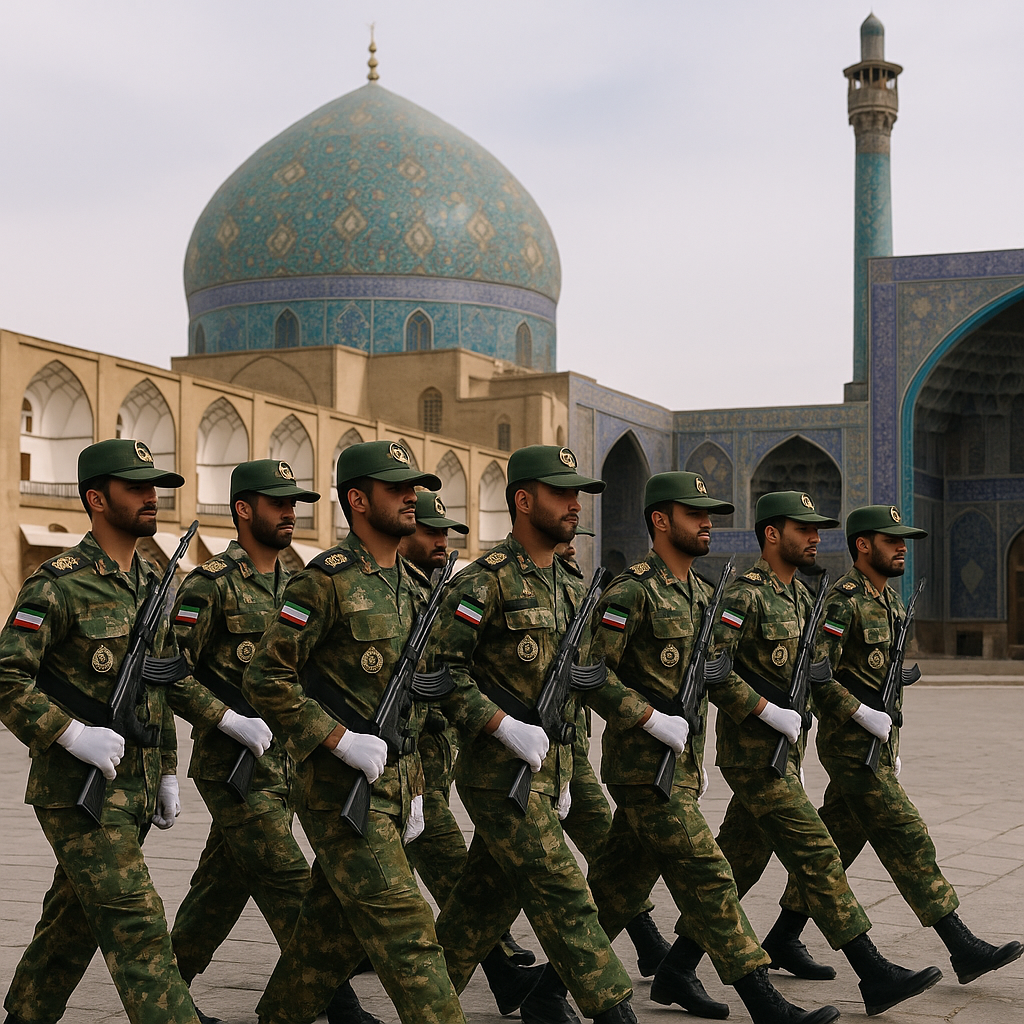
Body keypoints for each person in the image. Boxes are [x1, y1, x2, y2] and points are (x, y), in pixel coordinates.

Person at [585, 472, 839, 1024]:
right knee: (710, 876)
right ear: (660, 520)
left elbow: (717, 674)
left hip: (680, 770)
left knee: (613, 891)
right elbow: (590, 673)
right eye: (695, 514)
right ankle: (763, 1001)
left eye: (709, 515)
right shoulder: (631, 590)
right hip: (641, 769)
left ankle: (549, 992)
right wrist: (647, 718)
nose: (707, 524)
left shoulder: (704, 594)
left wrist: (770, 710)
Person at [242, 440, 466, 1024]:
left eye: (413, 488)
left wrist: (417, 786)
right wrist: (337, 739)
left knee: (326, 936)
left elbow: (418, 700)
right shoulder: (325, 581)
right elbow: (265, 677)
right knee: (410, 933)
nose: (412, 498)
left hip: (396, 785)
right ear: (359, 501)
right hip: (341, 792)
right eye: (397, 489)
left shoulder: (414, 587)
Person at [700, 490, 942, 1017]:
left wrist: (827, 741)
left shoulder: (805, 599)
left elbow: (816, 677)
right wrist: (765, 711)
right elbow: (713, 668)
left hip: (783, 756)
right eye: (803, 528)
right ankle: (873, 971)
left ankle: (677, 967)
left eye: (816, 529)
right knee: (817, 854)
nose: (814, 537)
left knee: (740, 861)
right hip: (750, 753)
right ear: (771, 533)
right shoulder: (745, 595)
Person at [166, 460, 379, 1024]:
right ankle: (341, 1008)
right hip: (232, 769)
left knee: (218, 891)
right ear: (243, 509)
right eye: (278, 502)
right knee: (291, 883)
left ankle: (165, 995)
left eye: (294, 503)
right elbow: (167, 671)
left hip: (285, 768)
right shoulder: (211, 584)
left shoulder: (297, 584)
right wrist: (225, 719)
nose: (290, 512)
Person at [776, 503, 1023, 985]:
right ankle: (961, 946)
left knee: (838, 843)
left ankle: (784, 936)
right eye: (892, 540)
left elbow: (885, 683)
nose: (902, 548)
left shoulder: (890, 602)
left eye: (903, 541)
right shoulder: (843, 601)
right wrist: (860, 713)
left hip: (878, 750)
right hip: (851, 750)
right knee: (907, 835)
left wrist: (891, 735)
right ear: (863, 545)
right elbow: (816, 673)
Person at [432, 445, 637, 1024]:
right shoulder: (484, 581)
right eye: (561, 492)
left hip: (551, 771)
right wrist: (500, 726)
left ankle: (426, 999)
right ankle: (615, 1011)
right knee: (563, 891)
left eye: (577, 494)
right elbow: (438, 673)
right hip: (499, 776)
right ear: (523, 500)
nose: (575, 504)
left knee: (478, 906)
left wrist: (570, 764)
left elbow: (578, 680)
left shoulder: (570, 583)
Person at [0, 438, 199, 1024]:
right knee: (138, 927)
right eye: (135, 487)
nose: (150, 497)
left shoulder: (153, 581)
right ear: (96, 499)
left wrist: (166, 771)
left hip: (134, 785)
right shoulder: (57, 583)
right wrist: (69, 734)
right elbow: (7, 676)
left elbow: (157, 684)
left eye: (153, 487)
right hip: (77, 790)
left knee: (71, 923)